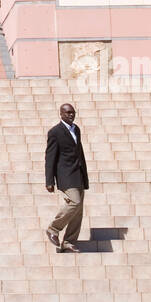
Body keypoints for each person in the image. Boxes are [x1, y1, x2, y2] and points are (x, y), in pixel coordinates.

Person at [45, 103, 89, 253]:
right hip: (65, 174)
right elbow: (50, 157)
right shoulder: (55, 132)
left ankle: (68, 242)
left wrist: (85, 175)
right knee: (75, 202)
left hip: (78, 174)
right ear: (61, 114)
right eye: (68, 112)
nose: (71, 115)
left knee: (79, 210)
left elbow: (80, 153)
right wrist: (49, 180)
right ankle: (53, 229)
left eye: (73, 112)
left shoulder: (76, 129)